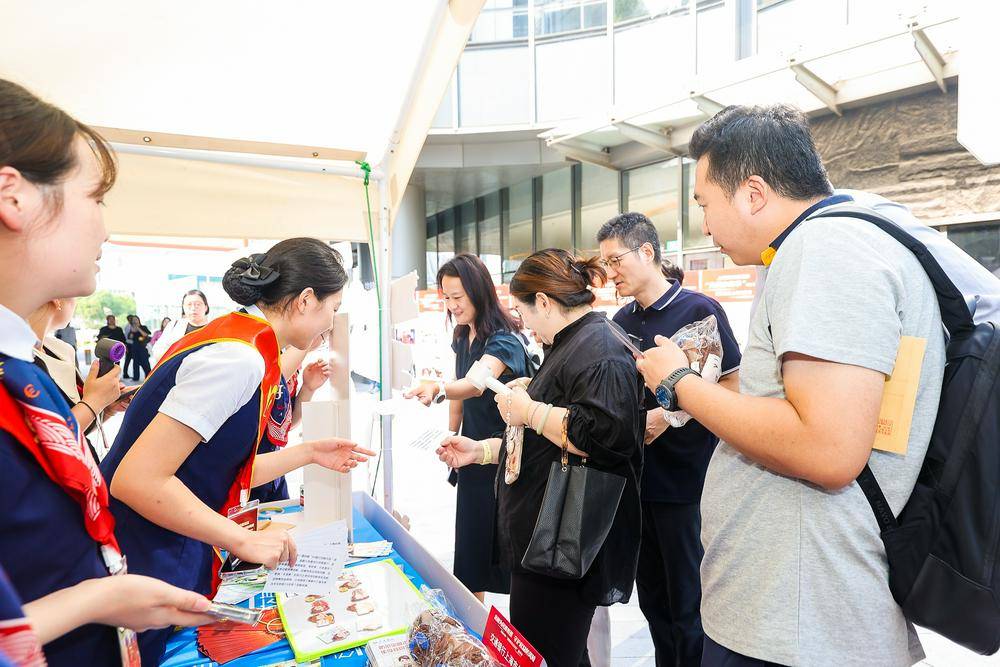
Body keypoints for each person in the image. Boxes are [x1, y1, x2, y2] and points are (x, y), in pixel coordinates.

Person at [633, 104, 950, 666]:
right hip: (795, 612)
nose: (704, 224)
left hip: (800, 621)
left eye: (705, 202)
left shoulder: (826, 251)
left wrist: (679, 381)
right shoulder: (836, 242)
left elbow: (827, 447)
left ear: (753, 193)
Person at [0, 78, 216, 666]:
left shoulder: (19, 363)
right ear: (13, 196)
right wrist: (97, 598)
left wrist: (102, 597)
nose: (105, 228)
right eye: (95, 197)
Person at [100, 238, 375, 664]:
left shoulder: (240, 341)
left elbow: (214, 468)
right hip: (143, 549)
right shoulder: (237, 359)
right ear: (305, 300)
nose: (330, 323)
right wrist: (242, 541)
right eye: (332, 308)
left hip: (159, 541)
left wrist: (309, 452)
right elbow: (137, 479)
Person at [437, 249, 643, 667]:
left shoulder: (599, 347)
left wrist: (529, 410)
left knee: (550, 650)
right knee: (549, 649)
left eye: (524, 312)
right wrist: (482, 451)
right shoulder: (570, 343)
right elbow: (544, 444)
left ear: (544, 302)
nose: (525, 324)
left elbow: (604, 435)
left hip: (564, 540)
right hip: (543, 536)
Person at [597, 213, 741, 667]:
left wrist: (670, 413)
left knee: (691, 606)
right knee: (654, 604)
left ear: (647, 252)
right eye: (605, 263)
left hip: (687, 487)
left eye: (615, 259)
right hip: (638, 486)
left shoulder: (699, 310)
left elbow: (733, 389)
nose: (610, 272)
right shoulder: (619, 321)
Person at [404, 253, 530, 602]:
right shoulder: (462, 335)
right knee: (471, 553)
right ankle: (475, 635)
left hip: (503, 459)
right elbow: (461, 387)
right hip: (471, 455)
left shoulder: (503, 340)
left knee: (507, 553)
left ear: (479, 291)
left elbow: (475, 383)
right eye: (446, 297)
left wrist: (439, 389)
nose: (451, 305)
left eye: (457, 297)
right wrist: (451, 432)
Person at [27, 298, 131, 459]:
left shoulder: (61, 349)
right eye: (75, 296)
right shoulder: (14, 360)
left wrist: (105, 407)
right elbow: (50, 441)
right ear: (57, 300)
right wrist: (93, 402)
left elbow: (76, 429)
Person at [250, 336, 331, 503]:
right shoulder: (258, 353)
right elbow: (270, 381)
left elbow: (288, 421)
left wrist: (308, 388)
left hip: (274, 471)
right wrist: (307, 344)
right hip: (248, 473)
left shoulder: (288, 356)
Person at [150, 289, 211, 364]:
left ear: (206, 307)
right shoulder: (174, 326)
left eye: (198, 304)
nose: (193, 308)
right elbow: (158, 350)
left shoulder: (214, 327)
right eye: (189, 304)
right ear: (183, 307)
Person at [126, 314, 152, 380]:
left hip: (142, 347)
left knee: (145, 363)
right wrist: (132, 330)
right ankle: (136, 377)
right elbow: (130, 337)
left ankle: (148, 377)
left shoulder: (143, 327)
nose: (135, 321)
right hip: (134, 347)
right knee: (135, 363)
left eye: (136, 319)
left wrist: (138, 328)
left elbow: (146, 335)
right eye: (133, 320)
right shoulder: (131, 328)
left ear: (139, 320)